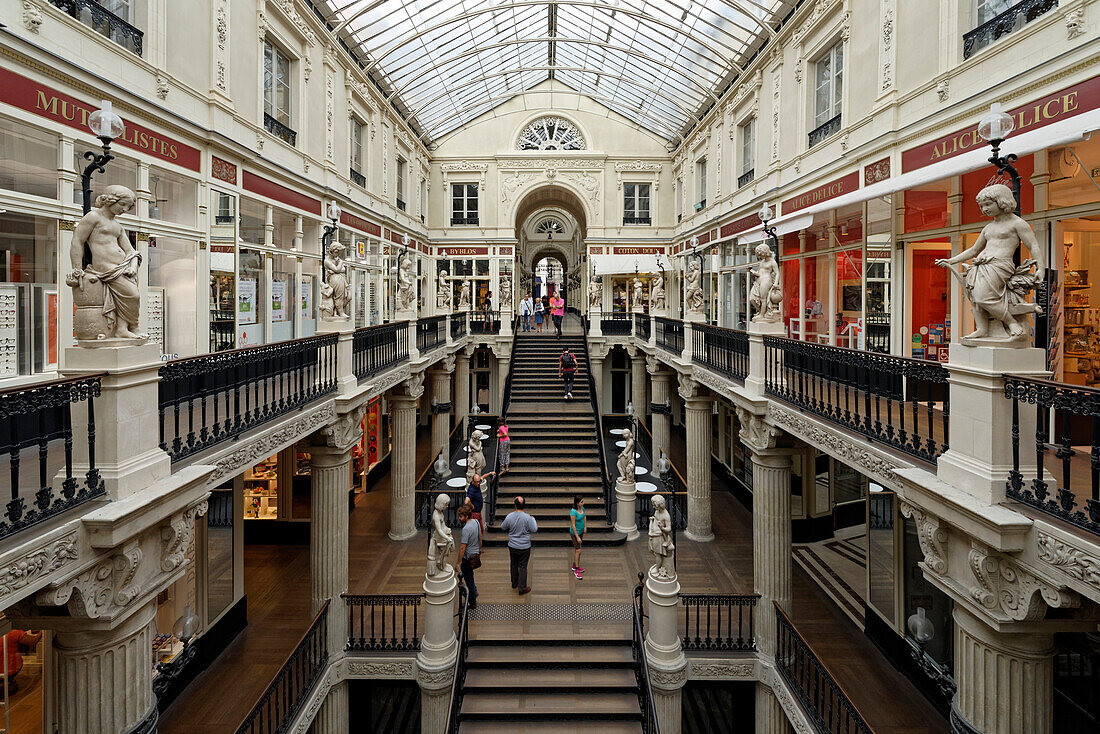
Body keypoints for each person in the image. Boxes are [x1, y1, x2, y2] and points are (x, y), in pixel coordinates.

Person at [66, 185, 143, 339]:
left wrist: (133, 266)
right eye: (122, 204)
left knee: (127, 298)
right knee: (133, 296)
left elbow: (131, 251)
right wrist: (76, 268)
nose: (124, 209)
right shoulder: (93, 217)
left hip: (124, 268)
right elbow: (77, 241)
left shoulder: (117, 225)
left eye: (127, 207)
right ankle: (133, 326)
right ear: (110, 200)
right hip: (106, 268)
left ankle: (123, 329)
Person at [500, 495, 537, 595]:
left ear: (515, 505)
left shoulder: (510, 516)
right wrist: (533, 519)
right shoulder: (527, 517)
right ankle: (522, 588)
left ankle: (514, 583)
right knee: (523, 566)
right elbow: (534, 529)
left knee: (513, 564)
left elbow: (503, 527)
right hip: (524, 546)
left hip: (513, 545)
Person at [456, 503, 480, 609]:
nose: (459, 518)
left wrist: (457, 563)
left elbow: (462, 547)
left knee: (469, 579)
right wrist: (479, 550)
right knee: (470, 577)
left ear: (466, 516)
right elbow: (480, 536)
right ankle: (474, 591)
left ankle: (472, 601)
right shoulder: (476, 522)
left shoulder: (466, 529)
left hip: (467, 558)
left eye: (461, 516)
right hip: (475, 555)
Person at [467, 471, 494, 543]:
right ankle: (476, 546)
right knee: (477, 532)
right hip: (475, 514)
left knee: (481, 529)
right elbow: (466, 501)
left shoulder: (477, 484)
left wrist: (490, 473)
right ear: (473, 481)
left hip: (478, 513)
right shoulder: (472, 490)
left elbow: (482, 477)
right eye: (477, 482)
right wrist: (472, 506)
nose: (479, 483)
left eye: (479, 481)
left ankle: (478, 545)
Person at [569, 494, 586, 579]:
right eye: (581, 502)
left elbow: (584, 516)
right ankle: (576, 569)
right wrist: (577, 537)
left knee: (578, 550)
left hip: (581, 531)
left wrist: (585, 527)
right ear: (577, 503)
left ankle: (575, 565)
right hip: (575, 533)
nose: (583, 503)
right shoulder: (573, 512)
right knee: (578, 550)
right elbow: (573, 525)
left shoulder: (582, 508)